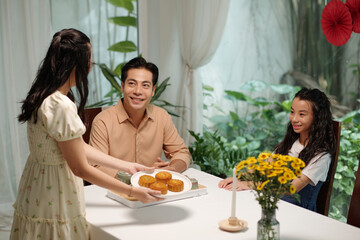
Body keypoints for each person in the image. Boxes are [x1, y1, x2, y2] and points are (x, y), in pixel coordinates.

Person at [10, 29, 162, 240]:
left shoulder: (45, 95)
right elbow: (80, 167)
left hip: (37, 185)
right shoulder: (61, 104)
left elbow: (76, 146)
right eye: (89, 60)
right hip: (56, 190)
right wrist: (131, 191)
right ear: (76, 63)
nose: (90, 66)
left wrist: (126, 166)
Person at [218, 88, 336, 212]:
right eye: (292, 112)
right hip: (273, 204)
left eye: (302, 114)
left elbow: (290, 188)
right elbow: (265, 166)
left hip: (298, 213)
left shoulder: (321, 156)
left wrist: (249, 184)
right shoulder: (291, 143)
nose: (294, 119)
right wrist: (240, 179)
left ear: (317, 118)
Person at [89, 57, 191, 179]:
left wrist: (172, 169)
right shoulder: (103, 121)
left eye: (145, 85)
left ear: (153, 90)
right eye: (132, 83)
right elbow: (96, 166)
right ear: (122, 86)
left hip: (153, 190)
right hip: (115, 190)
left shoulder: (161, 116)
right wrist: (136, 177)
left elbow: (182, 152)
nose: (138, 91)